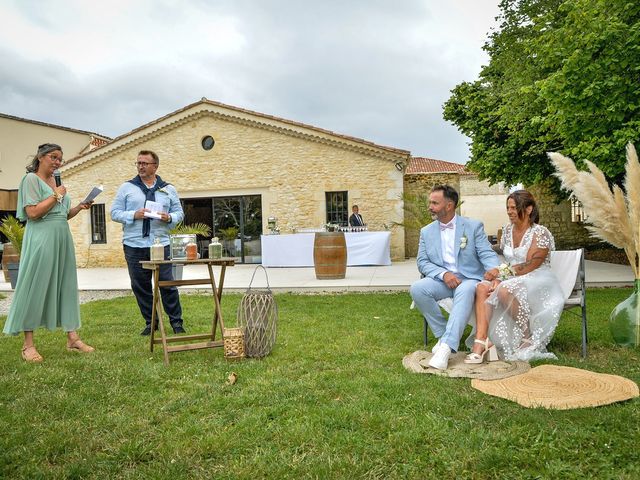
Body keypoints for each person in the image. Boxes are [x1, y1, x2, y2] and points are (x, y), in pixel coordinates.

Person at [3, 143, 94, 362]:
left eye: (60, 159)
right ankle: (28, 345)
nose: (57, 162)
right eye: (53, 157)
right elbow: (33, 213)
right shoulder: (30, 180)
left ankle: (72, 337)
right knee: (35, 286)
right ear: (41, 157)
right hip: (41, 239)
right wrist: (55, 196)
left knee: (66, 285)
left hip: (62, 239)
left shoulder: (57, 182)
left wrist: (79, 207)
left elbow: (60, 214)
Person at [466, 190, 563, 363]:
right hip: (512, 276)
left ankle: (527, 335)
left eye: (514, 207)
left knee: (503, 290)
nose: (509, 211)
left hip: (537, 278)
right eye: (508, 208)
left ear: (528, 209)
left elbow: (532, 264)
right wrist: (497, 275)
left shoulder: (540, 233)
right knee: (482, 287)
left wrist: (501, 274)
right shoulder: (506, 231)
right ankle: (482, 341)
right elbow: (505, 260)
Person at [409, 184, 499, 370]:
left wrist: (495, 271)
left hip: (469, 279)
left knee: (466, 290)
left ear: (449, 206)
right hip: (442, 280)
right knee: (417, 289)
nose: (430, 207)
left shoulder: (473, 226)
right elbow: (422, 262)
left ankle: (446, 349)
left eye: (435, 203)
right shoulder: (426, 231)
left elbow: (486, 253)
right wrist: (444, 274)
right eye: (430, 202)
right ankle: (444, 335)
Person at [111, 150, 186, 335]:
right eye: (138, 163)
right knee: (140, 286)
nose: (141, 166)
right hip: (134, 244)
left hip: (161, 243)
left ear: (155, 166)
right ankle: (151, 322)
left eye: (145, 163)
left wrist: (169, 217)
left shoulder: (168, 189)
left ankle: (176, 323)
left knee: (167, 283)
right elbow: (114, 212)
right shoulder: (126, 188)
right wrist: (133, 215)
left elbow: (179, 213)